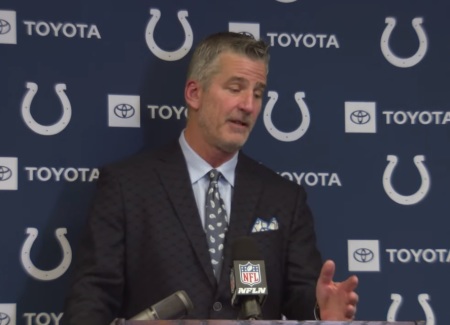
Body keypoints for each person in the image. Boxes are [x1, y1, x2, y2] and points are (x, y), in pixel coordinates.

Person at [62, 32, 358, 325]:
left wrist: (321, 311)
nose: (248, 105)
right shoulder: (128, 185)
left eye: (257, 93)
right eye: (235, 88)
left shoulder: (284, 198)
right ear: (194, 93)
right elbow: (93, 297)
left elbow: (302, 297)